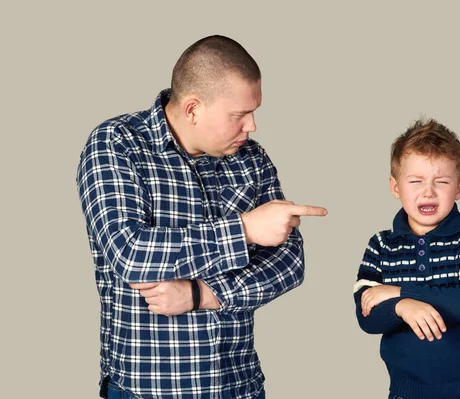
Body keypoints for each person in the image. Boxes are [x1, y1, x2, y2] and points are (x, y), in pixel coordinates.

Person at [77, 35, 327, 399]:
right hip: (149, 389)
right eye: (240, 115)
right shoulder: (117, 143)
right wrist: (245, 230)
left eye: (254, 111)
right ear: (193, 109)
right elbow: (130, 253)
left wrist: (204, 294)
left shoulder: (252, 160)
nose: (252, 126)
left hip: (238, 386)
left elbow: (289, 263)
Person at [353, 119, 460, 399]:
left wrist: (399, 292)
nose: (428, 191)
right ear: (395, 187)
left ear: (459, 188)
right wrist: (402, 307)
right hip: (407, 392)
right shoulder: (381, 245)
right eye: (416, 181)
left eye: (441, 182)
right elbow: (367, 316)